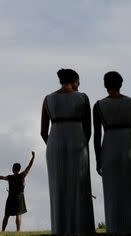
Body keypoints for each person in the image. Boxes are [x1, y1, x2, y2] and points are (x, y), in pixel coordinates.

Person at [40, 68, 95, 235]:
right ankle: (81, 227)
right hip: (77, 139)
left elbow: (43, 131)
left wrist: (52, 144)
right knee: (80, 185)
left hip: (55, 141)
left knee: (58, 187)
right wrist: (83, 143)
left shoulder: (48, 99)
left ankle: (60, 228)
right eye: (79, 82)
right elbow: (88, 128)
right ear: (74, 80)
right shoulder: (83, 98)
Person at [93, 71, 131, 234]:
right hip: (129, 143)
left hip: (109, 146)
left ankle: (115, 227)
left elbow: (97, 135)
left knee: (112, 190)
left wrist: (98, 159)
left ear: (105, 85)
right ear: (121, 84)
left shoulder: (98, 105)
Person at [0, 151, 35, 232]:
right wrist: (33, 156)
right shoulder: (22, 175)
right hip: (19, 197)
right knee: (18, 214)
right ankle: (18, 231)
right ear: (19, 169)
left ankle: (3, 231)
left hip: (10, 197)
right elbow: (29, 165)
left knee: (6, 215)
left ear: (13, 169)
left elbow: (1, 177)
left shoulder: (9, 177)